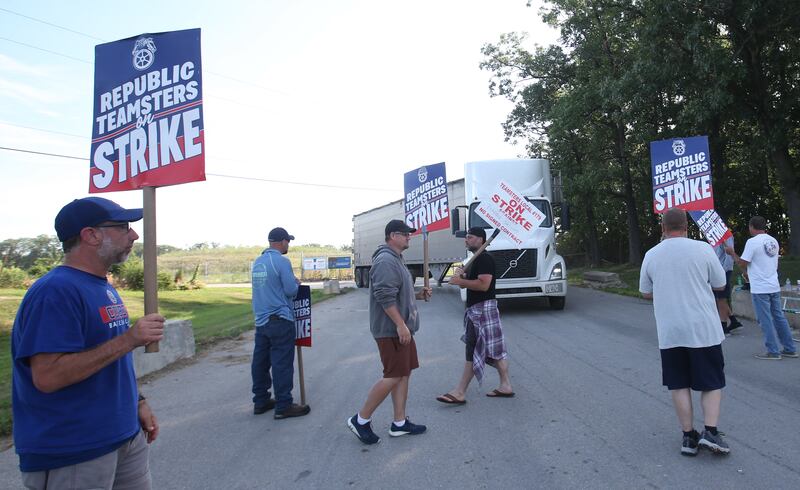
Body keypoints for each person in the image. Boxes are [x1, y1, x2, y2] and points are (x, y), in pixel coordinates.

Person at [11, 197, 165, 489]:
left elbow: (107, 355)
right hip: (74, 451)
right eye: (123, 227)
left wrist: (137, 401)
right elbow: (48, 376)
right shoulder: (55, 292)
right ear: (90, 235)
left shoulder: (100, 286)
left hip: (124, 436)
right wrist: (130, 339)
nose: (133, 235)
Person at [639, 208, 730, 456]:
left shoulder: (652, 254)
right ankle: (710, 432)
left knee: (679, 384)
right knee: (711, 382)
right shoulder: (702, 249)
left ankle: (688, 437)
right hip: (703, 329)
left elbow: (645, 291)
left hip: (671, 331)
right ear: (687, 227)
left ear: (663, 228)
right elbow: (720, 283)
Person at [347, 219, 432, 445]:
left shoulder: (396, 259)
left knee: (403, 373)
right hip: (391, 330)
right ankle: (361, 419)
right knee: (393, 375)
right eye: (406, 234)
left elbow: (397, 292)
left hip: (400, 329)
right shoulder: (385, 260)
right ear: (393, 236)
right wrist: (400, 324)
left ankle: (399, 423)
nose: (409, 237)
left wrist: (418, 295)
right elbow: (384, 296)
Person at [436, 227, 513, 405]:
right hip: (478, 309)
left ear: (481, 239)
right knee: (495, 349)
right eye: (466, 237)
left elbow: (484, 285)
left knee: (473, 349)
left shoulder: (484, 259)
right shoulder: (475, 259)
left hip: (482, 310)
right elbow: (467, 285)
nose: (466, 240)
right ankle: (505, 385)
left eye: (470, 237)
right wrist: (461, 277)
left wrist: (460, 281)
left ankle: (460, 392)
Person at [251, 227, 310, 419]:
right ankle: (283, 404)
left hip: (261, 320)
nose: (288, 245)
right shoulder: (282, 262)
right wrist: (295, 282)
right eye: (288, 241)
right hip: (280, 319)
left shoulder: (257, 263)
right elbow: (291, 290)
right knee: (282, 363)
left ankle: (260, 400)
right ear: (282, 241)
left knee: (260, 362)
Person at [725, 216, 798, 360]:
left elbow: (742, 263)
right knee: (779, 317)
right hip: (773, 285)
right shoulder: (773, 241)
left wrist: (732, 253)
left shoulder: (752, 242)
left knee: (765, 320)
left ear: (752, 227)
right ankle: (790, 348)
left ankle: (773, 351)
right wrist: (749, 274)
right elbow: (762, 263)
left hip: (760, 288)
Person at [714, 236, 743, 335]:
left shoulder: (725, 235)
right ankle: (733, 320)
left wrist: (723, 270)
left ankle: (724, 327)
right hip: (717, 269)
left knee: (721, 298)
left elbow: (729, 255)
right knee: (719, 297)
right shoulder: (713, 235)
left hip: (723, 270)